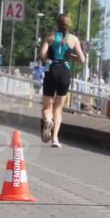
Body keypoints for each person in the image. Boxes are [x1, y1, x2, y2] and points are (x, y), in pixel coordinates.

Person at [38, 13, 85, 148]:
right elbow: (82, 60)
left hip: (51, 70)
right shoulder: (74, 39)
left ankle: (47, 120)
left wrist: (48, 57)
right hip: (65, 72)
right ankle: (55, 139)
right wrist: (72, 56)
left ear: (57, 24)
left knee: (47, 106)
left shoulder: (50, 37)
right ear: (69, 24)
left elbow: (42, 54)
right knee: (58, 108)